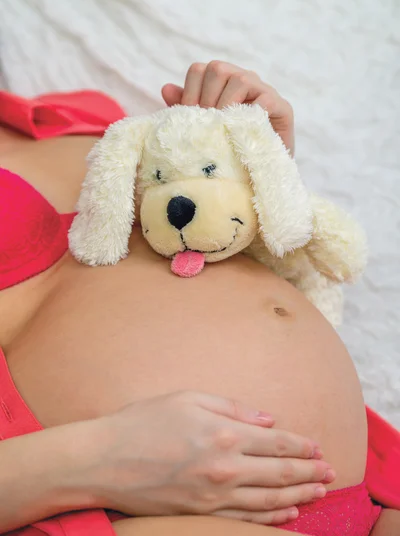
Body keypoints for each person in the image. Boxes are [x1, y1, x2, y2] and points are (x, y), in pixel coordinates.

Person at [0, 61, 396, 536]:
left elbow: (185, 236)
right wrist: (97, 458)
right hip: (123, 513)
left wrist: (263, 177)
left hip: (364, 488)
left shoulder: (79, 115)